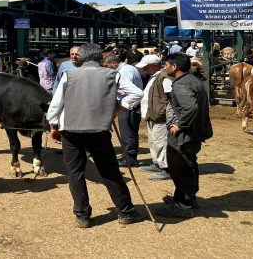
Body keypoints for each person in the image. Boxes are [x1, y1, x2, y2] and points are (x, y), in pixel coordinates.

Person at [47, 43, 145, 228]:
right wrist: (117, 107)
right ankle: (125, 211)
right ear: (100, 57)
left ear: (82, 57)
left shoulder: (69, 74)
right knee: (109, 170)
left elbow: (56, 103)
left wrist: (53, 125)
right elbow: (137, 93)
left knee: (75, 173)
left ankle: (82, 215)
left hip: (71, 130)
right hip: (99, 130)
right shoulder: (112, 74)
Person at [158, 54, 213, 218]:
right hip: (194, 131)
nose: (164, 67)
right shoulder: (193, 80)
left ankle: (184, 205)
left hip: (185, 134)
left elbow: (190, 107)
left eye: (166, 65)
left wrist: (180, 125)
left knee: (180, 166)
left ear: (174, 67)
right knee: (188, 163)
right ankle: (185, 197)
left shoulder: (181, 85)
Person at [102, 54, 143, 167]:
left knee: (128, 132)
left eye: (107, 66)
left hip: (127, 104)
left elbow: (126, 91)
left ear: (114, 63)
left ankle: (130, 158)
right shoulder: (129, 68)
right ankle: (127, 154)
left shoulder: (124, 71)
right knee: (128, 131)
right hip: (128, 104)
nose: (106, 68)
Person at [136, 55, 173, 181]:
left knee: (160, 141)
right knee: (153, 141)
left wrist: (163, 111)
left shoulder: (164, 77)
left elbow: (171, 96)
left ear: (155, 66)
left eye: (147, 66)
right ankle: (157, 163)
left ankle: (166, 168)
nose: (145, 69)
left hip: (160, 116)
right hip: (153, 114)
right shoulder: (155, 76)